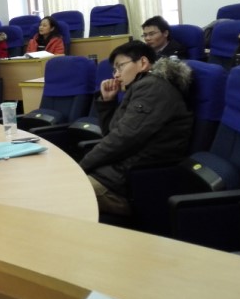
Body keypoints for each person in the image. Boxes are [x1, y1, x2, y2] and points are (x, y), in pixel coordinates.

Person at [78, 40, 193, 216]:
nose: (116, 74)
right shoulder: (140, 87)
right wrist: (107, 102)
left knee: (60, 193)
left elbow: (123, 138)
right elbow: (112, 134)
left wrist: (80, 167)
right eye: (114, 70)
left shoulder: (153, 88)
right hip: (115, 175)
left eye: (120, 66)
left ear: (143, 63)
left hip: (128, 185)